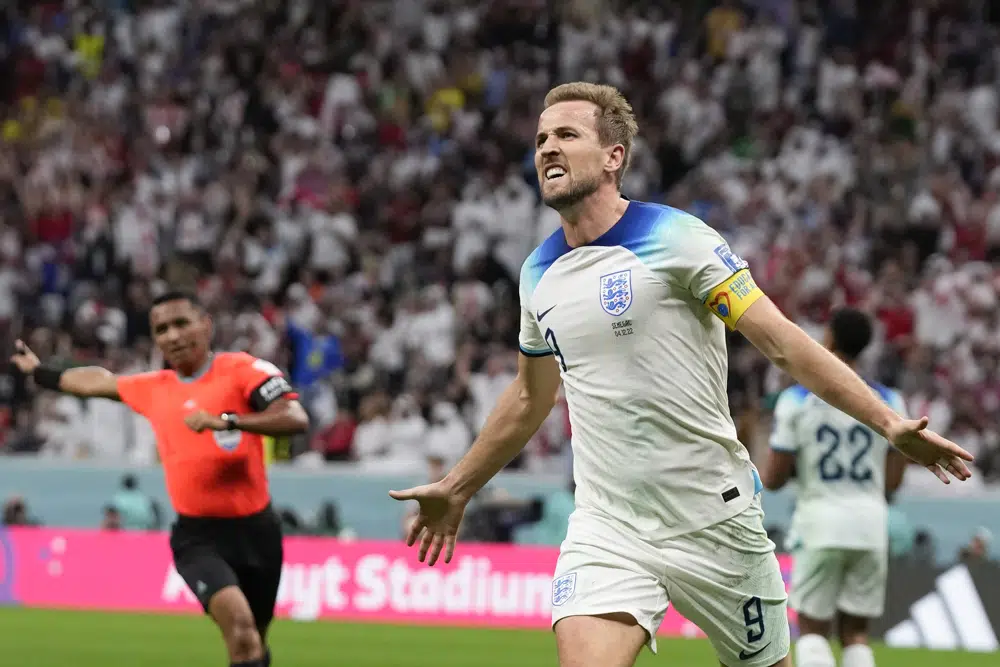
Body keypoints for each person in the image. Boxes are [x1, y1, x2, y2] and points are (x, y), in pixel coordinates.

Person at [388, 82, 974, 667]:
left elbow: (782, 343)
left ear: (614, 156)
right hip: (608, 526)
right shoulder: (537, 273)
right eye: (541, 139)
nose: (547, 148)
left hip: (714, 518)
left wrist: (888, 422)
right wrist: (458, 486)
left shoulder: (678, 238)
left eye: (566, 135)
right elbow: (527, 396)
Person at [11, 291, 309, 667]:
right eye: (161, 329)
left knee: (252, 646)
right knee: (240, 627)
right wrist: (40, 371)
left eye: (181, 323)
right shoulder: (154, 388)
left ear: (206, 325)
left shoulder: (245, 370)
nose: (172, 335)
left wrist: (231, 421)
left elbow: (295, 418)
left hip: (258, 533)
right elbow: (97, 381)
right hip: (199, 537)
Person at [761, 308, 907, 667]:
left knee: (812, 629)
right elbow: (892, 481)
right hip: (872, 525)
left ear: (828, 339)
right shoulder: (891, 401)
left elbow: (775, 479)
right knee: (856, 632)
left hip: (820, 522)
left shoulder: (796, 400)